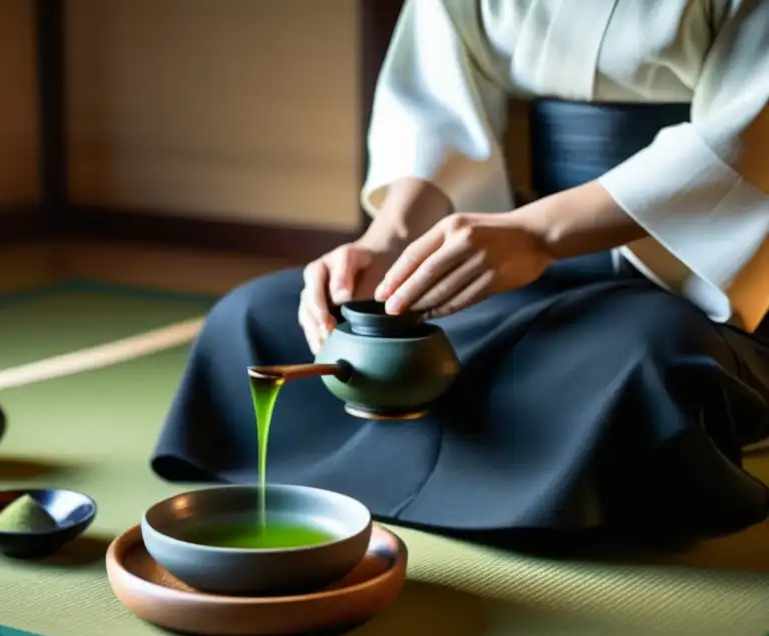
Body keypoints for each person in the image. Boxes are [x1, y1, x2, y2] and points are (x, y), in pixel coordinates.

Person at [151, 0, 769, 540]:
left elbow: (746, 138)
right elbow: (435, 107)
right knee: (255, 317)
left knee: (647, 364)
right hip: (507, 250)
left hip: (685, 262)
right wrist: (391, 237)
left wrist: (541, 232)